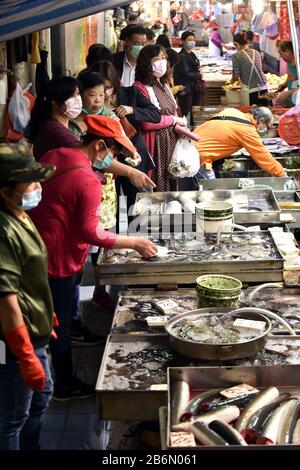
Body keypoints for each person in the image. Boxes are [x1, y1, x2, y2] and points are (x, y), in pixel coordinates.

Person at [30, 115, 157, 401]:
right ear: (99, 146)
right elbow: (91, 232)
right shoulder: (87, 180)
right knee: (58, 324)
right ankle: (63, 384)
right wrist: (133, 242)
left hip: (37, 247)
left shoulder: (56, 154)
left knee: (56, 316)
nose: (113, 159)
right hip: (58, 257)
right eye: (113, 152)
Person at [0, 142, 55, 449]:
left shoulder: (19, 214)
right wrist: (25, 356)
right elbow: (6, 299)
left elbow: (29, 273)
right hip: (12, 344)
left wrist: (46, 312)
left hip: (35, 333)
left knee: (41, 399)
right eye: (31, 183)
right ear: (6, 192)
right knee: (12, 418)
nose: (38, 187)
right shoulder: (3, 230)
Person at [90, 61, 160, 219]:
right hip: (105, 161)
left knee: (135, 204)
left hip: (131, 157)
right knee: (108, 206)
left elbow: (155, 115)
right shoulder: (91, 105)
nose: (104, 94)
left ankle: (134, 237)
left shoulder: (130, 93)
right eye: (99, 89)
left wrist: (132, 110)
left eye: (107, 87)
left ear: (115, 83)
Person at [134, 44, 188, 192]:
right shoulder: (140, 87)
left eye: (163, 58)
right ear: (146, 63)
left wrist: (182, 127)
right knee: (157, 188)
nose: (161, 62)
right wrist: (173, 120)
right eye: (156, 59)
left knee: (171, 185)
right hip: (156, 146)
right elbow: (146, 123)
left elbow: (173, 110)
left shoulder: (164, 85)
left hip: (171, 143)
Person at [193, 107, 286, 180]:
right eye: (267, 128)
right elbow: (264, 158)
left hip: (188, 147)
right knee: (211, 193)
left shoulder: (232, 111)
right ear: (261, 121)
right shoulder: (248, 130)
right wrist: (282, 174)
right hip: (200, 159)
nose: (265, 131)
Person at [26, 76, 82, 161]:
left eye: (77, 94)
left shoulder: (54, 124)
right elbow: (84, 152)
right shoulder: (53, 129)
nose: (77, 100)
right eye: (71, 96)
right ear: (55, 104)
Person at [173, 31, 205, 123]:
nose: (192, 42)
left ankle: (193, 130)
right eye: (189, 40)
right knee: (185, 112)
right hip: (186, 89)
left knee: (195, 111)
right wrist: (199, 75)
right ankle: (184, 132)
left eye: (193, 40)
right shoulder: (182, 56)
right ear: (183, 41)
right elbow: (186, 73)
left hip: (194, 88)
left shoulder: (191, 54)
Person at [231, 33, 267, 105]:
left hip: (250, 92)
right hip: (264, 89)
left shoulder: (236, 55)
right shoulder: (256, 52)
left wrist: (231, 82)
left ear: (236, 44)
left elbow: (236, 76)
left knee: (249, 115)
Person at [273, 41, 298, 108]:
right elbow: (290, 76)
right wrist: (284, 84)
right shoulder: (289, 63)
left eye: (281, 54)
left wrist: (288, 93)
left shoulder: (298, 64)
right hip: (292, 100)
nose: (281, 57)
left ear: (287, 52)